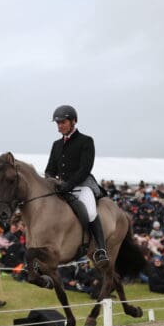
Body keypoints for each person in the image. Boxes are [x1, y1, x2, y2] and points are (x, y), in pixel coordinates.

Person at [44, 104, 108, 265]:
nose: (59, 126)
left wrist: (69, 185)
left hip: (82, 186)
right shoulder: (56, 144)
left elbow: (85, 168)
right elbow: (50, 169)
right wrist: (51, 181)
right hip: (61, 188)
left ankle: (101, 249)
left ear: (74, 121)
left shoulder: (86, 141)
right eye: (57, 123)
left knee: (91, 212)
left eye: (63, 122)